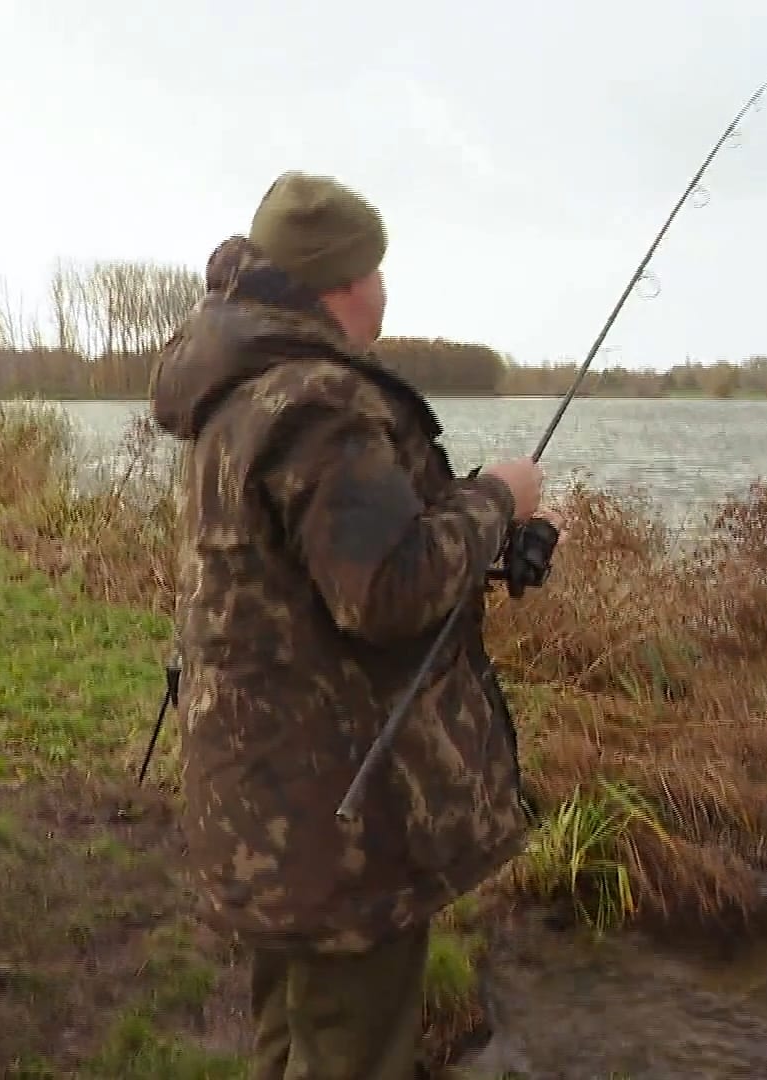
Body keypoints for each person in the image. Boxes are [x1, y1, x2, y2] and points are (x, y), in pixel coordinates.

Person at [150, 171, 548, 1080]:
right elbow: (388, 590)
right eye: (375, 271)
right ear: (340, 284)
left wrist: (459, 519)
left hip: (263, 796)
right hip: (333, 822)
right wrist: (497, 498)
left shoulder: (242, 393)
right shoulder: (319, 404)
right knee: (349, 1053)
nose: (384, 290)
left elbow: (318, 572)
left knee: (289, 1037)